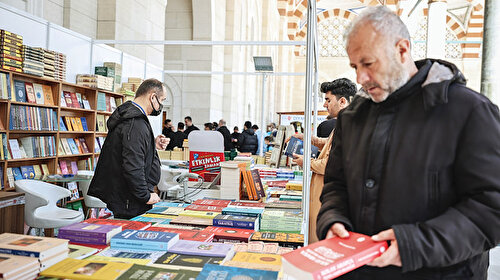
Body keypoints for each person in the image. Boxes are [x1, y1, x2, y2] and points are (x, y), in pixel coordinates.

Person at [317, 6, 500, 279]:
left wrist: (415, 244)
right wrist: (332, 221)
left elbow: (491, 207)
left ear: (402, 50)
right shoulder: (353, 118)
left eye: (369, 64)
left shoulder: (469, 112)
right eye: (355, 66)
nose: (360, 79)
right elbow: (336, 185)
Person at [88, 78, 168, 219]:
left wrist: (152, 145)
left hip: (129, 198)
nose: (162, 105)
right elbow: (132, 165)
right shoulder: (134, 123)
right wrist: (145, 196)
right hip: (130, 200)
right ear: (153, 97)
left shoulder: (133, 119)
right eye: (162, 100)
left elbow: (131, 149)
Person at [291, 78, 356, 244]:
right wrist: (309, 139)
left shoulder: (350, 126)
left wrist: (306, 162)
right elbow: (329, 144)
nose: (325, 105)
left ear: (342, 101)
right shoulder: (343, 123)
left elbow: (331, 165)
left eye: (328, 100)